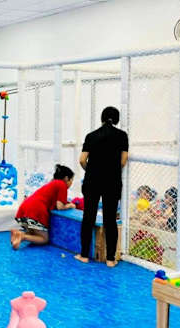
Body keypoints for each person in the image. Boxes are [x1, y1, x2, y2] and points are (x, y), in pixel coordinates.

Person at [75, 106, 129, 268]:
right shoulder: (122, 136)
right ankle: (110, 259)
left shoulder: (91, 136)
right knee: (110, 219)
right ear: (116, 120)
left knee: (88, 216)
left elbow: (82, 159)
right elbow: (123, 161)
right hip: (112, 181)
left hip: (92, 180)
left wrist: (91, 170)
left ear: (102, 118)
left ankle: (84, 255)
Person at [11, 164, 76, 250]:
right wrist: (71, 205)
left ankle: (18, 234)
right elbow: (60, 206)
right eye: (72, 180)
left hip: (24, 209)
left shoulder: (52, 183)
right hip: (34, 210)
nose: (71, 183)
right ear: (67, 178)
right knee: (44, 239)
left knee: (34, 234)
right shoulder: (62, 184)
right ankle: (23, 236)